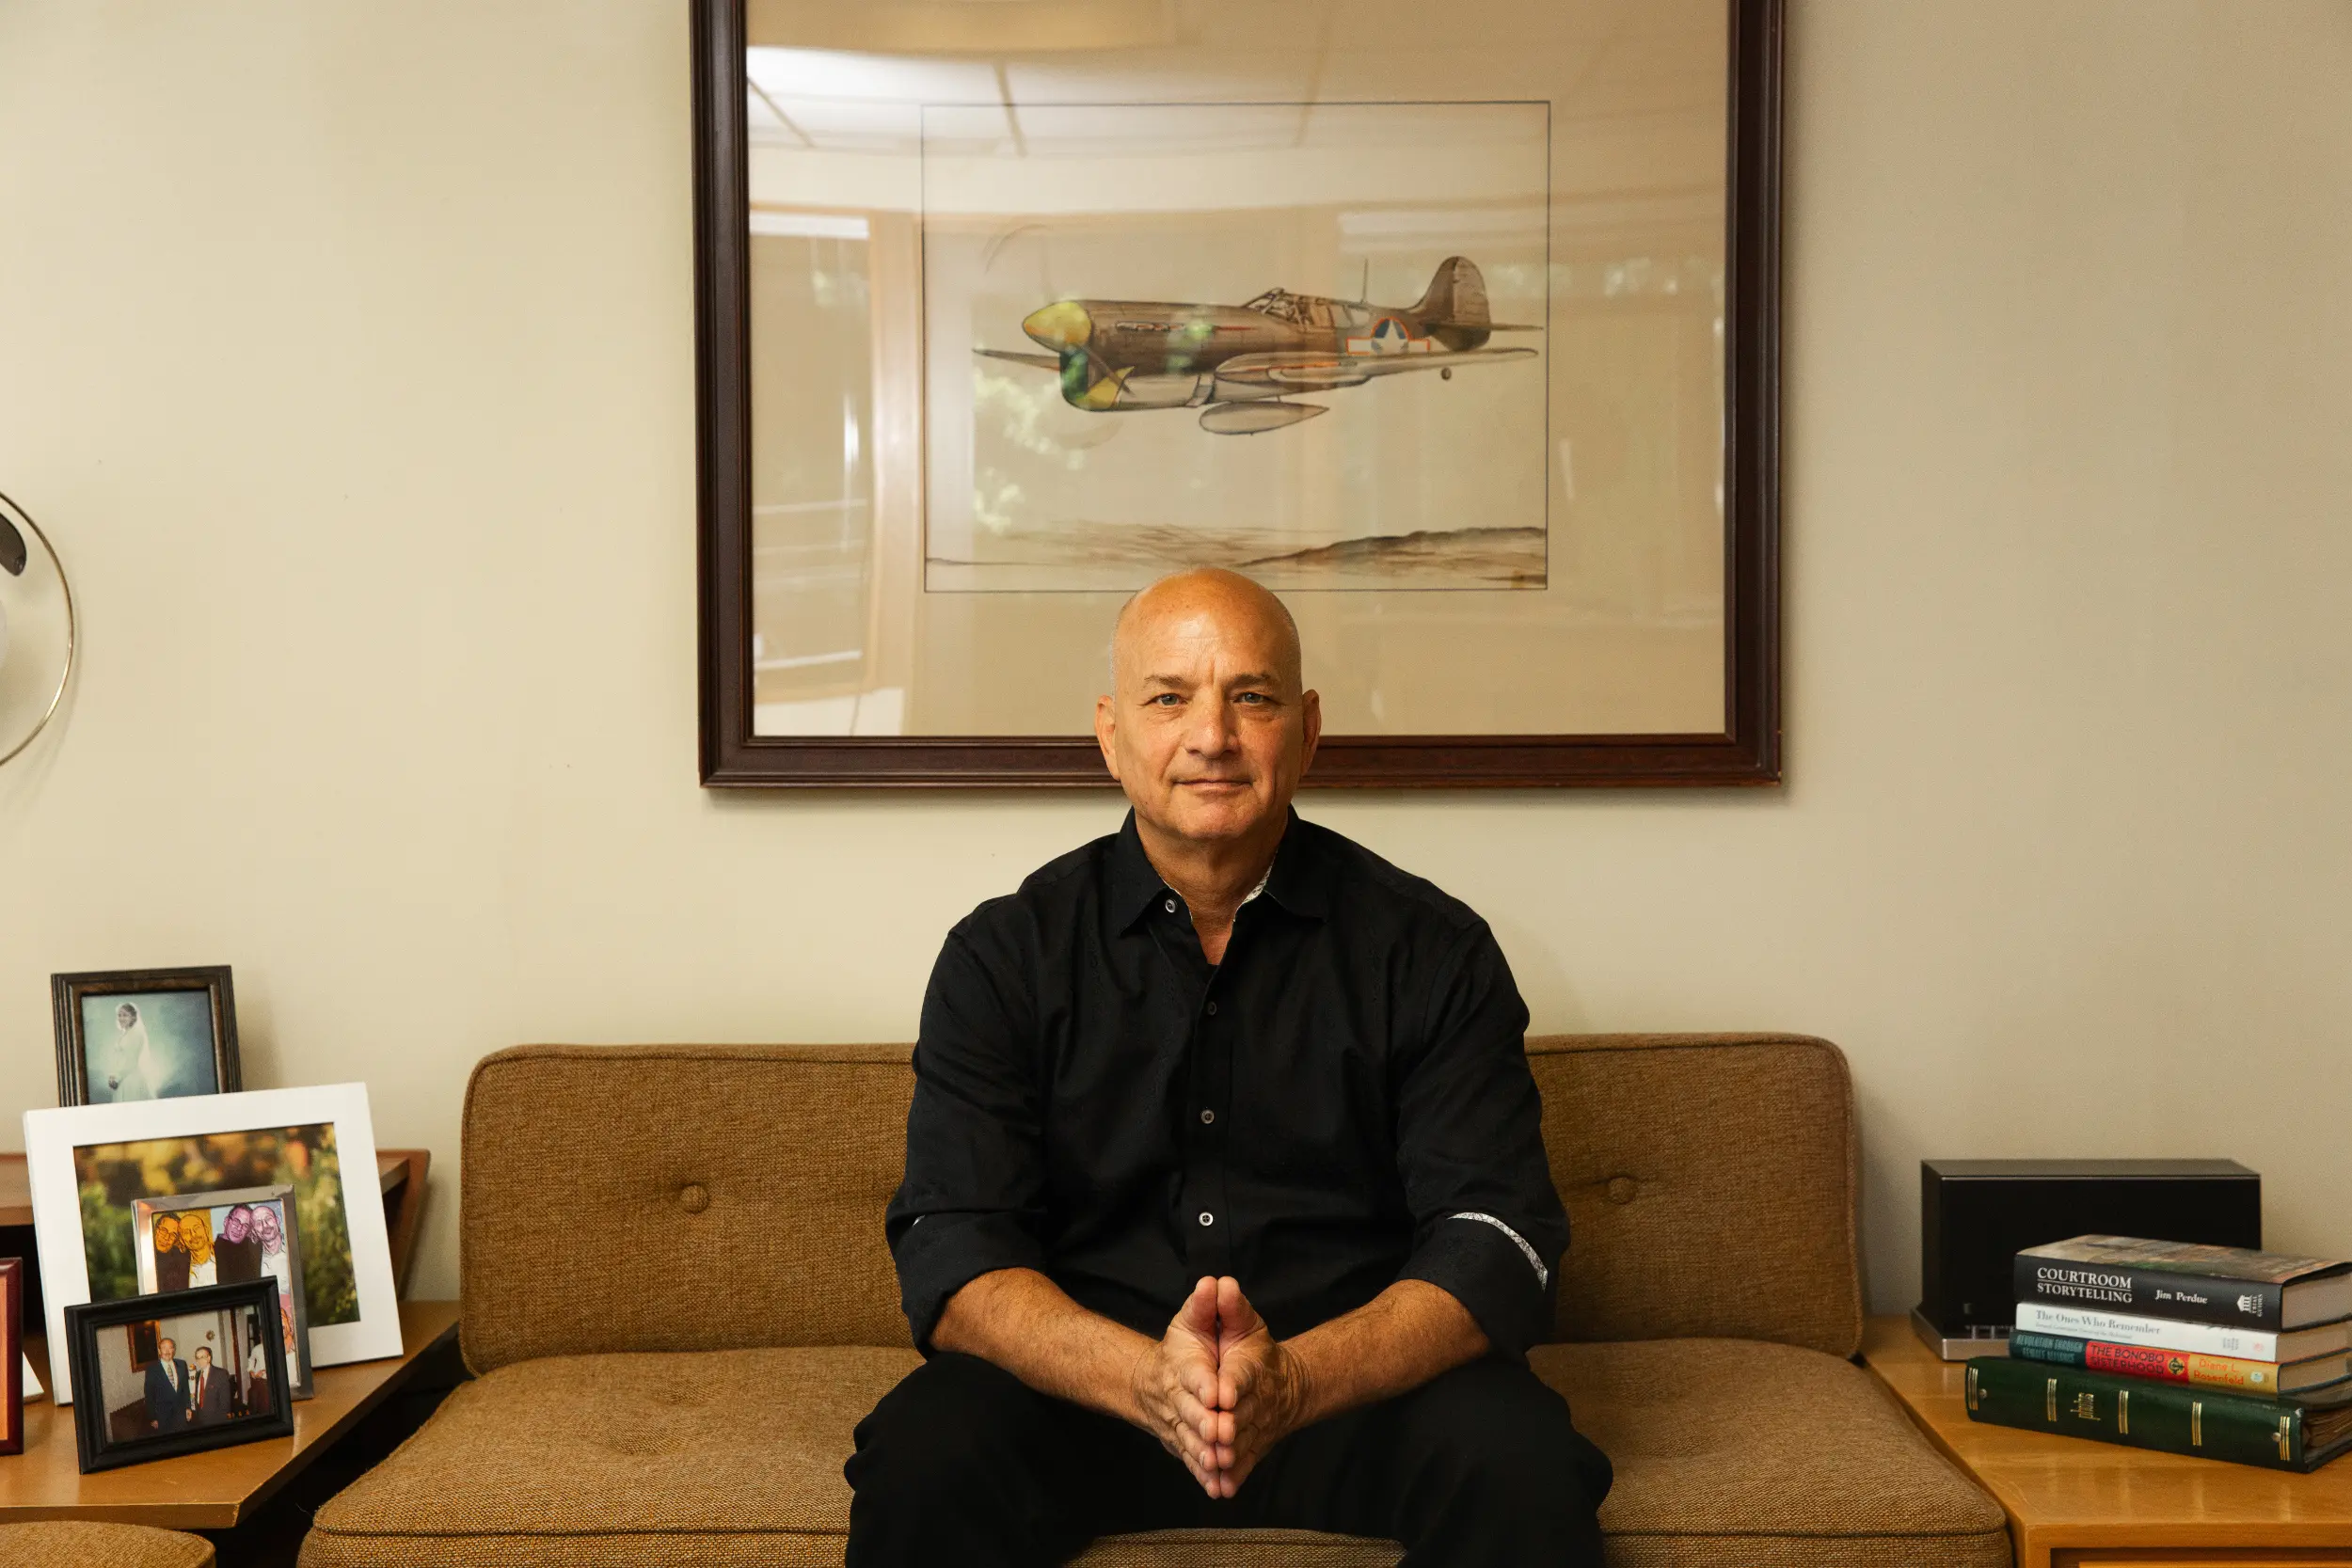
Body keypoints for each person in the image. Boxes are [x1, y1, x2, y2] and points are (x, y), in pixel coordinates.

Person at [846, 569, 1611, 1566]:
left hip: (1351, 1390)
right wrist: (1147, 1381)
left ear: (1308, 729)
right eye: (1170, 697)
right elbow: (952, 1250)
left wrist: (1290, 1378)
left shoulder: (1431, 949)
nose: (1212, 735)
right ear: (1111, 733)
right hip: (1092, 1397)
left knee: (1523, 1463)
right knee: (921, 1452)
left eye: (1250, 695)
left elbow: (1496, 1238)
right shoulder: (1004, 956)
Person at [101, 1001, 163, 1101]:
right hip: (122, 1078)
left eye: (125, 1015)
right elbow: (119, 1058)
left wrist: (117, 1078)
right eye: (119, 1015)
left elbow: (131, 1061)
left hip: (131, 1079)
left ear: (133, 1017)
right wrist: (112, 1075)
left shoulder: (137, 1034)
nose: (121, 1018)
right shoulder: (125, 1034)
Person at [142, 1336, 190, 1434]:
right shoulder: (151, 1369)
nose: (167, 1351)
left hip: (181, 1414)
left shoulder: (182, 1364)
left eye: (170, 1347)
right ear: (159, 1351)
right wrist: (153, 1417)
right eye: (164, 1348)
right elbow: (149, 1395)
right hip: (162, 1416)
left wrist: (188, 1407)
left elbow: (185, 1389)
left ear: (174, 1350)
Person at [187, 1345, 230, 1426]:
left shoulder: (220, 1373)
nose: (200, 1360)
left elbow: (225, 1401)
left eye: (203, 1357)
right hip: (198, 1418)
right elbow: (195, 1396)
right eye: (198, 1358)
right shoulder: (196, 1375)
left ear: (209, 1358)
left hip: (215, 1419)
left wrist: (221, 1420)